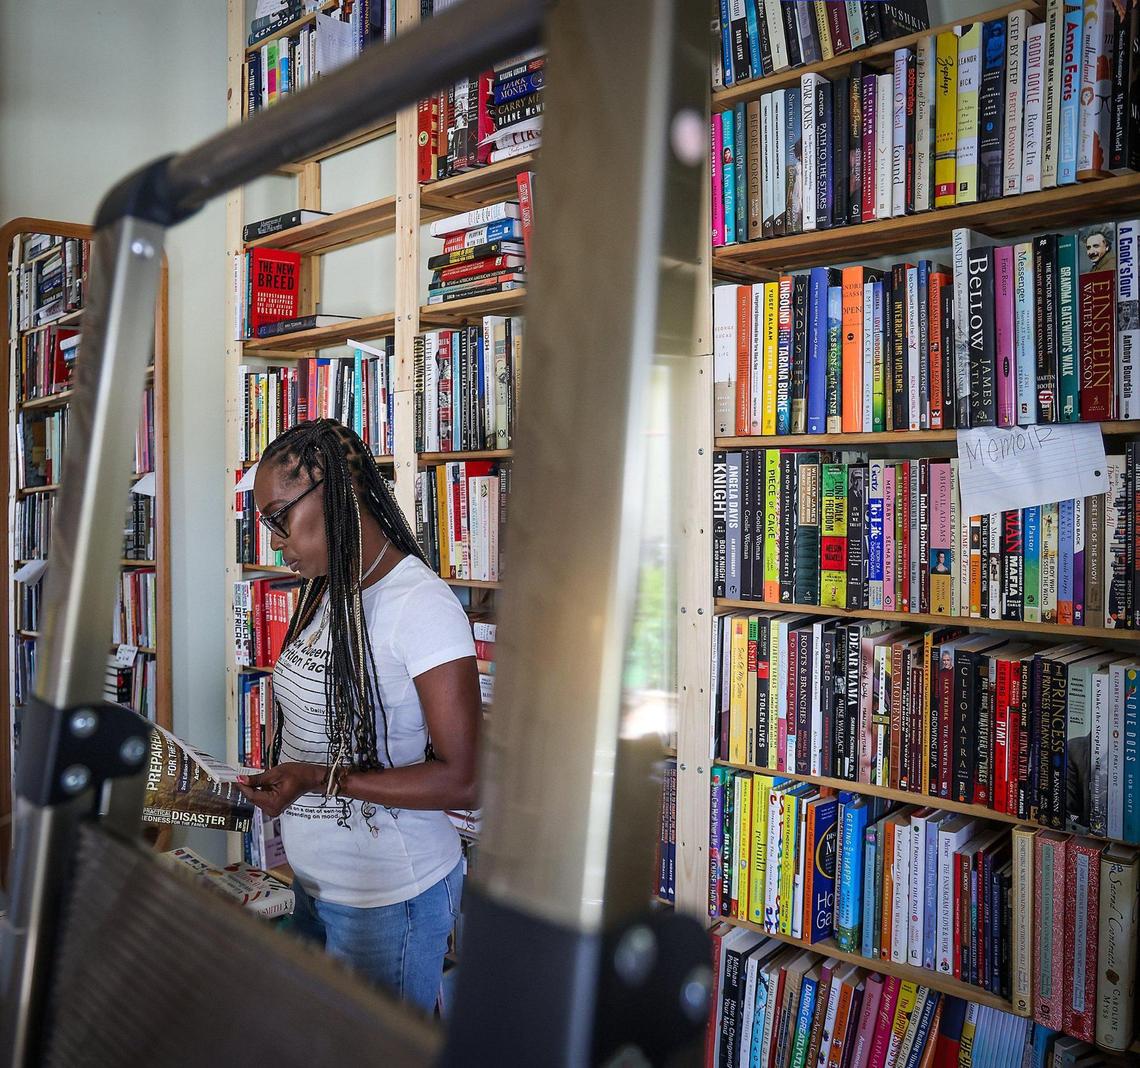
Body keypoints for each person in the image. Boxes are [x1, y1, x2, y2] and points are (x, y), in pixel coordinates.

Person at [236, 418, 481, 1013]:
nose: (273, 542)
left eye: (278, 518)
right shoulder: (329, 588)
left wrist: (318, 778)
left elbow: (464, 779)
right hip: (320, 885)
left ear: (333, 495)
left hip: (388, 897)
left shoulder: (419, 606)